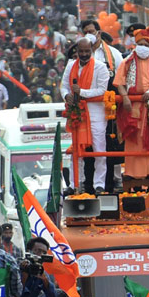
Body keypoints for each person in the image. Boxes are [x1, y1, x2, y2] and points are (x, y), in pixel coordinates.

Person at [114, 22, 149, 183]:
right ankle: (131, 171)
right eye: (140, 44)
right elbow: (119, 83)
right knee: (133, 138)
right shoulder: (127, 62)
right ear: (135, 44)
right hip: (132, 105)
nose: (142, 47)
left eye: (146, 44)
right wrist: (125, 98)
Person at [60, 36, 110, 194]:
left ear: (92, 51)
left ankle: (99, 184)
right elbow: (64, 86)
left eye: (87, 51)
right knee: (77, 148)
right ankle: (75, 183)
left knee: (99, 148)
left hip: (96, 112)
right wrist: (66, 96)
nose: (84, 54)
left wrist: (81, 92)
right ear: (77, 51)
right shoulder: (71, 66)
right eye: (81, 51)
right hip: (77, 112)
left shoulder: (101, 67)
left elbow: (102, 90)